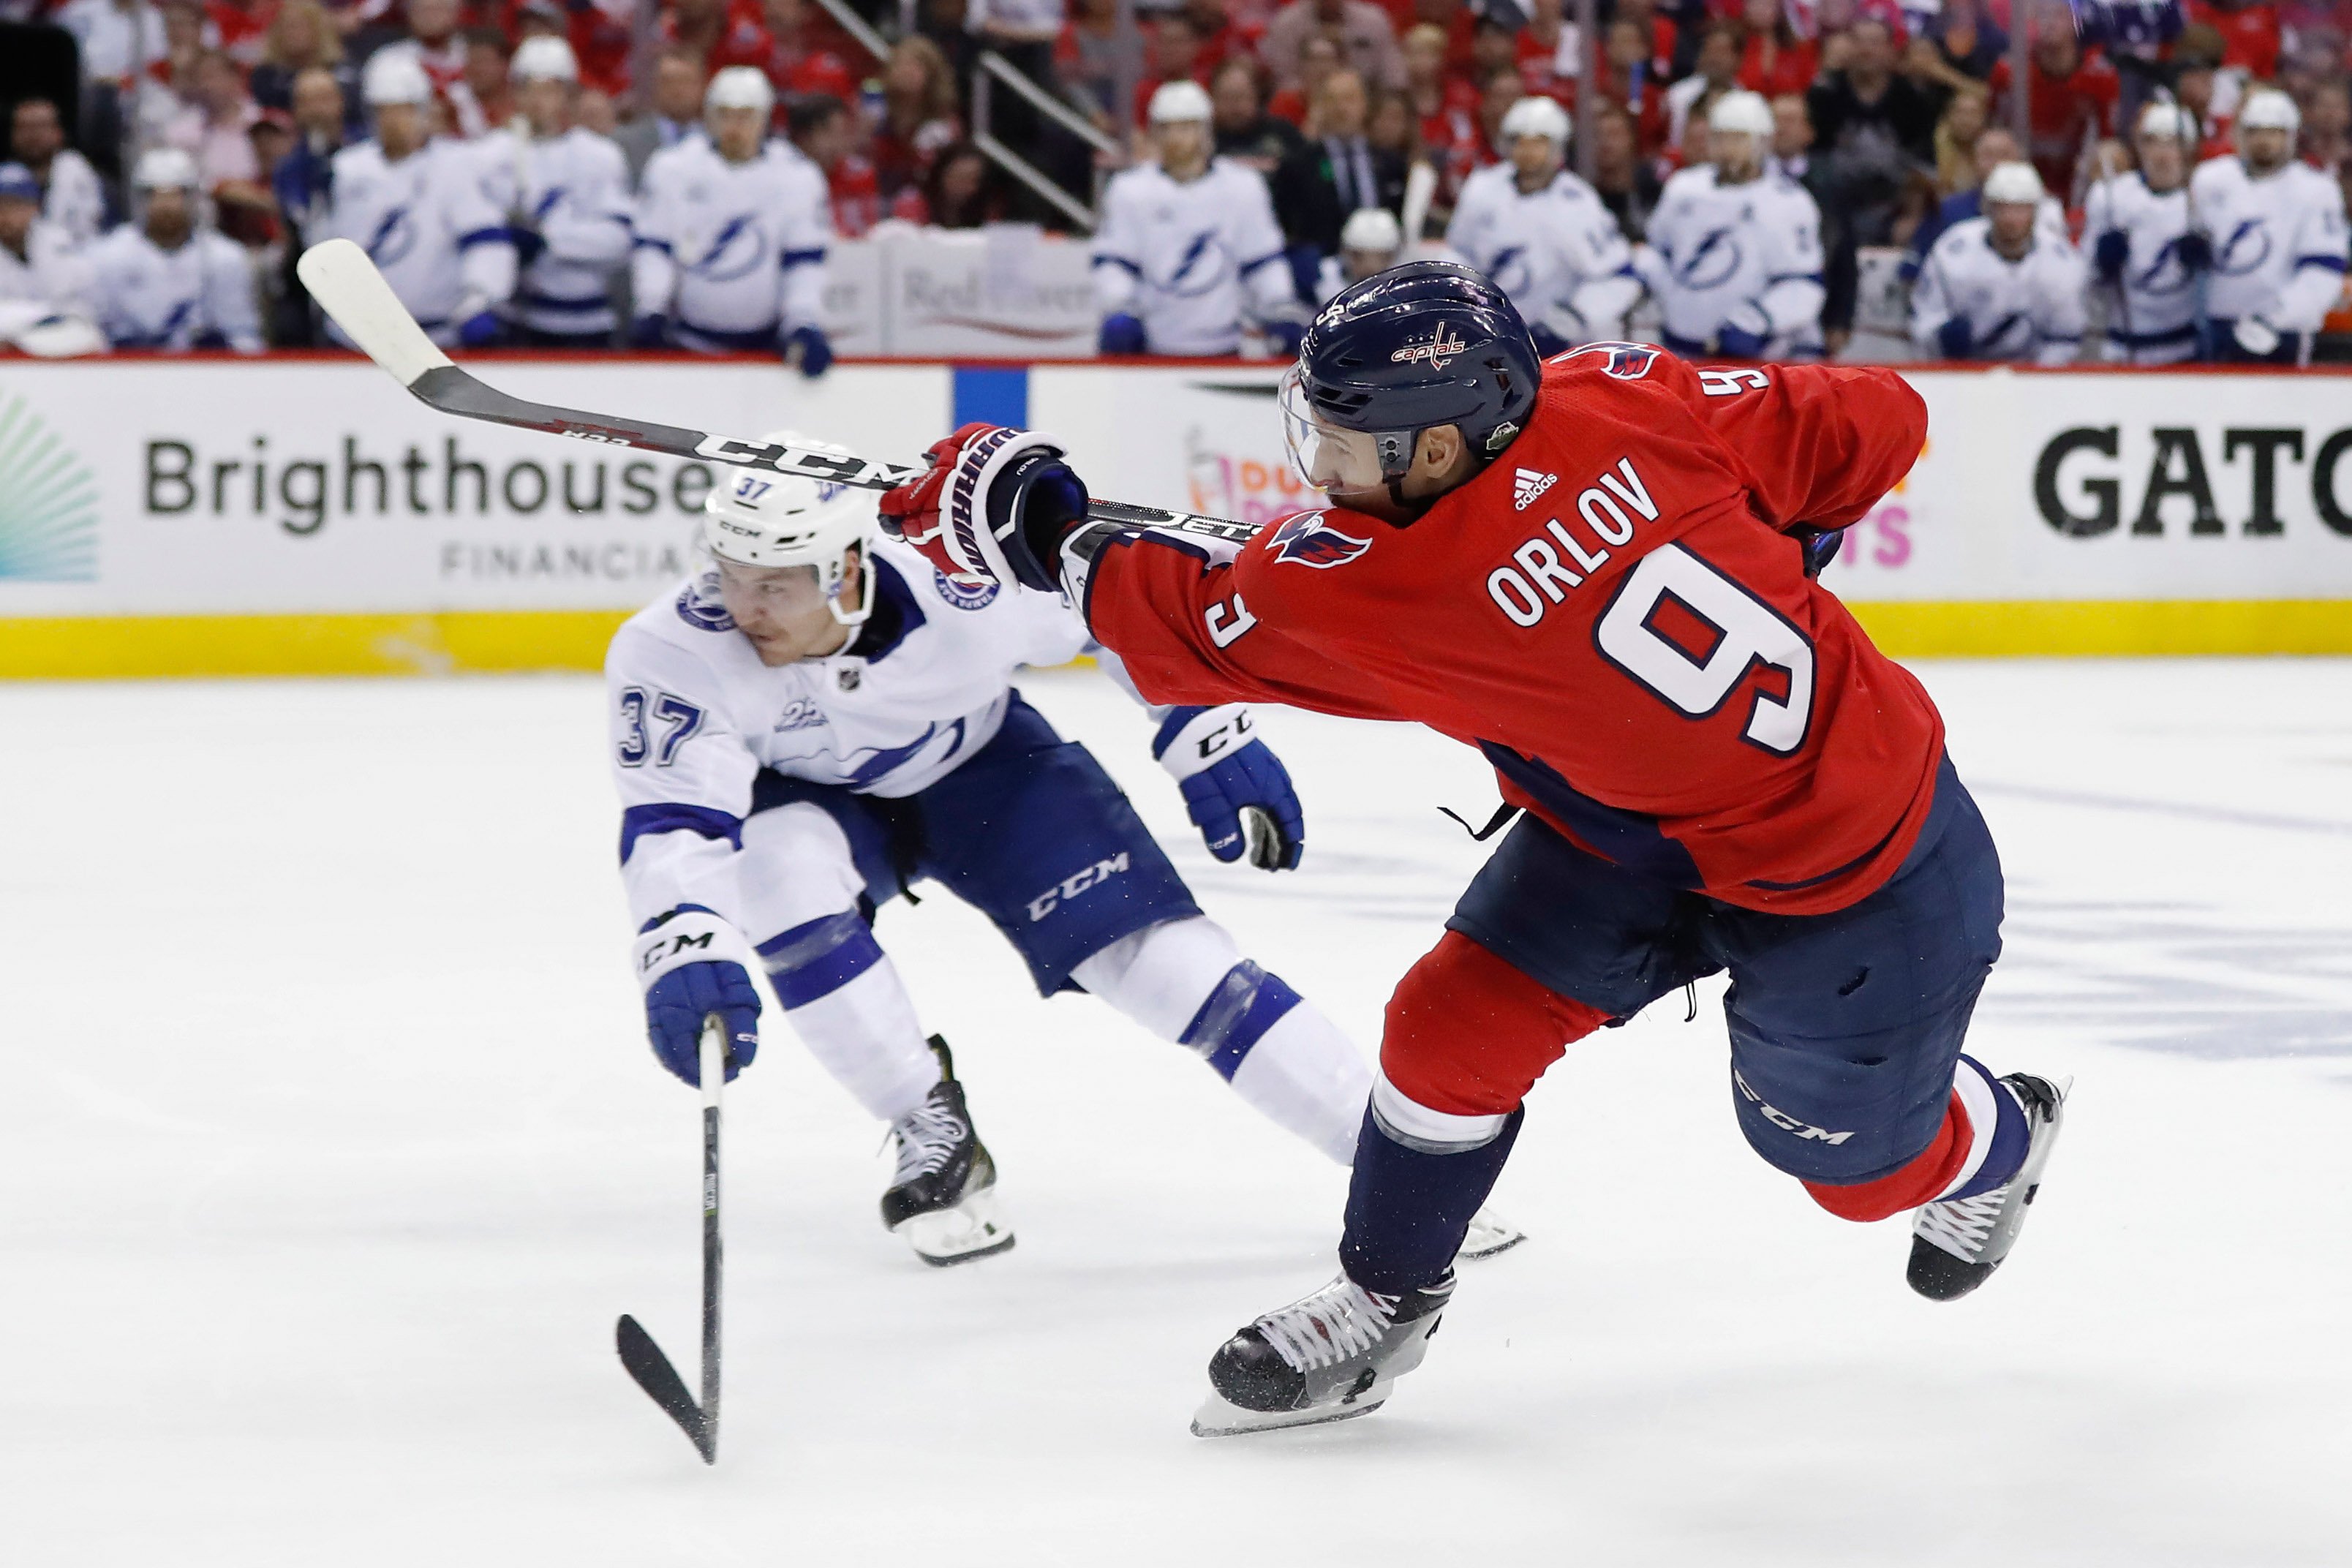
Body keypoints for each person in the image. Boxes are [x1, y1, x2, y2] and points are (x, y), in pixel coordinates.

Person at [875, 260, 2070, 1436]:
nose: (1319, 466)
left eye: (1343, 440)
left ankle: (1995, 1137)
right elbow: (1878, 419)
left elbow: (1161, 609)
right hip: (1637, 827)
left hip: (1853, 875)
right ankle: (1386, 1298)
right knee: (1447, 1029)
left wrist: (1024, 519)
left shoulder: (1374, 589)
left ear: (1439, 450)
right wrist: (1780, 533)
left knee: (1860, 1174)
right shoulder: (1615, 386)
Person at [606, 437, 1521, 1265]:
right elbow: (676, 821)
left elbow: (1115, 607)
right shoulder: (673, 648)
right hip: (811, 802)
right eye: (731, 575)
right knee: (777, 874)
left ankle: (1393, 1167)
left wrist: (1200, 730)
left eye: (775, 584)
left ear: (845, 566)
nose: (744, 605)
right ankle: (927, 1120)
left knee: (1167, 965)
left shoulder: (959, 579)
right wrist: (684, 939)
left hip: (986, 770)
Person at [629, 66, 832, 375]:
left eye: (746, 115)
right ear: (709, 116)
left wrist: (803, 322)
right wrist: (651, 308)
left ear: (764, 118)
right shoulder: (674, 167)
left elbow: (804, 262)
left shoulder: (796, 175)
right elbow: (655, 248)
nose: (735, 127)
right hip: (686, 348)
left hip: (766, 357)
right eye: (725, 114)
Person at [1092, 80, 1303, 357]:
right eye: (1167, 128)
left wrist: (1278, 305)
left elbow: (1263, 261)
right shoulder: (1130, 189)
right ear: (1154, 133)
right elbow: (1115, 263)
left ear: (1206, 130)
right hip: (1151, 348)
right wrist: (1119, 307)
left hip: (1223, 346)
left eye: (1187, 127)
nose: (1177, 138)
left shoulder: (1242, 186)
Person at [321, 49, 515, 349]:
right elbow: (330, 242)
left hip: (434, 337)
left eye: (403, 109)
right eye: (384, 110)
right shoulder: (348, 168)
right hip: (355, 337)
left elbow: (486, 240)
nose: (392, 120)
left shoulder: (454, 164)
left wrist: (479, 299)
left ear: (423, 111)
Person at [1444, 94, 1640, 353]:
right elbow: (1458, 255)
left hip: (1555, 343)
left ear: (1557, 148)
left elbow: (1617, 277)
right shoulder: (1483, 189)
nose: (1528, 152)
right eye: (1520, 143)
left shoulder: (1577, 202)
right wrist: (1464, 310)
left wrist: (1568, 321)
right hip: (1486, 335)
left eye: (1538, 144)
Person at [1643, 88, 1826, 360]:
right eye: (1722, 137)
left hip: (1759, 357)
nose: (1729, 149)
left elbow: (1803, 284)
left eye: (1739, 139)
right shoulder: (1683, 188)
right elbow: (1659, 253)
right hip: (1682, 351)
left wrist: (1756, 321)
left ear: (1762, 143)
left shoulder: (1789, 202)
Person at [477, 36, 633, 349]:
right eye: (528, 89)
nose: (538, 101)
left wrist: (550, 241)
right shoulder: (490, 155)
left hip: (586, 321)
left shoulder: (600, 155)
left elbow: (619, 241)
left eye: (549, 90)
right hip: (514, 319)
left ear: (568, 95)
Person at [2188, 89, 2350, 364]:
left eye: (2274, 132)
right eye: (2255, 131)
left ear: (2291, 136)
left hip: (2283, 330)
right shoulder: (2211, 180)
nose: (2263, 141)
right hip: (2217, 323)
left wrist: (2276, 317)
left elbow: (2323, 271)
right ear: (2241, 134)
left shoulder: (2316, 189)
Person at [86, 146, 263, 352]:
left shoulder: (226, 258)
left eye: (176, 195)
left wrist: (222, 350)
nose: (166, 206)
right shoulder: (107, 256)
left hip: (203, 374)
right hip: (130, 370)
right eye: (155, 195)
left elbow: (245, 337)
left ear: (192, 200)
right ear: (140, 200)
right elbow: (93, 332)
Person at [1909, 160, 2086, 363]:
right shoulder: (1952, 251)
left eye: (2021, 209)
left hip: (2035, 376)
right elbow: (1924, 317)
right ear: (1987, 208)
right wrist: (1940, 338)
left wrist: (2036, 377)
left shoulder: (2061, 260)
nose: (2010, 219)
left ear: (2035, 211)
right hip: (1966, 373)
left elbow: (2067, 337)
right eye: (2002, 208)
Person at [2083, 102, 2202, 364]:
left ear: (2187, 149)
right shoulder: (2112, 197)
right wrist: (2100, 261)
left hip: (2185, 348)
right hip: (2123, 349)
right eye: (2152, 143)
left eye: (2171, 143)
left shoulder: (2203, 198)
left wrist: (2206, 264)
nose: (2161, 154)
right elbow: (2086, 280)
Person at [0, 162, 100, 356]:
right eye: (2, 206)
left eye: (16, 205)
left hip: (62, 348)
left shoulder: (62, 245)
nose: (7, 215)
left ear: (34, 207)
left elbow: (85, 313)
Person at [7, 99, 107, 249]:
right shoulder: (6, 177)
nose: (33, 136)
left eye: (40, 126)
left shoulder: (77, 172)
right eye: (24, 127)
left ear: (59, 132)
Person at [612, 48, 706, 188]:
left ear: (701, 86)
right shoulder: (625, 144)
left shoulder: (717, 142)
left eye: (685, 81)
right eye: (668, 81)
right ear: (655, 86)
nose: (677, 90)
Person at [1316, 204, 1402, 298]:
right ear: (1345, 252)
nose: (1369, 266)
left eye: (1381, 257)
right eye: (1358, 256)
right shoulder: (1322, 278)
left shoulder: (1404, 284)